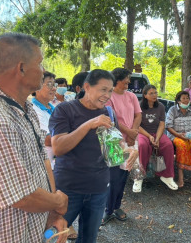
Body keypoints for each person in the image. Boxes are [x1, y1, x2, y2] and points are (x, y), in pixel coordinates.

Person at [0, 33, 68, 242]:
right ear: (21, 68)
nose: (43, 70)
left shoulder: (25, 109)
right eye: (40, 63)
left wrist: (52, 213)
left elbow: (43, 160)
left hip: (31, 233)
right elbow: (22, 196)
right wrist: (57, 201)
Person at [49, 69, 131, 242]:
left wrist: (128, 151)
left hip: (99, 188)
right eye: (103, 89)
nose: (107, 95)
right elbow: (58, 148)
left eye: (110, 90)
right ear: (87, 86)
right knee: (52, 236)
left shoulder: (109, 112)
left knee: (89, 238)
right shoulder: (65, 110)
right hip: (68, 189)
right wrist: (89, 124)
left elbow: (114, 146)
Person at [103, 68, 140, 224]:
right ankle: (107, 210)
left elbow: (138, 114)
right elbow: (114, 120)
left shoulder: (131, 96)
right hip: (115, 142)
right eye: (126, 79)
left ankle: (116, 206)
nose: (129, 82)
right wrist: (129, 134)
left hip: (131, 141)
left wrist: (134, 133)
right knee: (113, 177)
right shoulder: (109, 97)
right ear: (117, 80)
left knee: (124, 176)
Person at [135, 84, 178, 192]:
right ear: (145, 95)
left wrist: (157, 138)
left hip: (157, 133)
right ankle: (139, 177)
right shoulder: (139, 106)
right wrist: (149, 136)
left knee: (168, 145)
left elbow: (162, 124)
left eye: (155, 93)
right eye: (151, 93)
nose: (154, 95)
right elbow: (137, 125)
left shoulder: (161, 107)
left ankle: (167, 176)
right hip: (143, 133)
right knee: (142, 145)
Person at [32, 71, 57, 169]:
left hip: (54, 164)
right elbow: (47, 140)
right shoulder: (34, 110)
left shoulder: (53, 108)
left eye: (54, 85)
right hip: (45, 167)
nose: (54, 88)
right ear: (37, 87)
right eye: (49, 84)